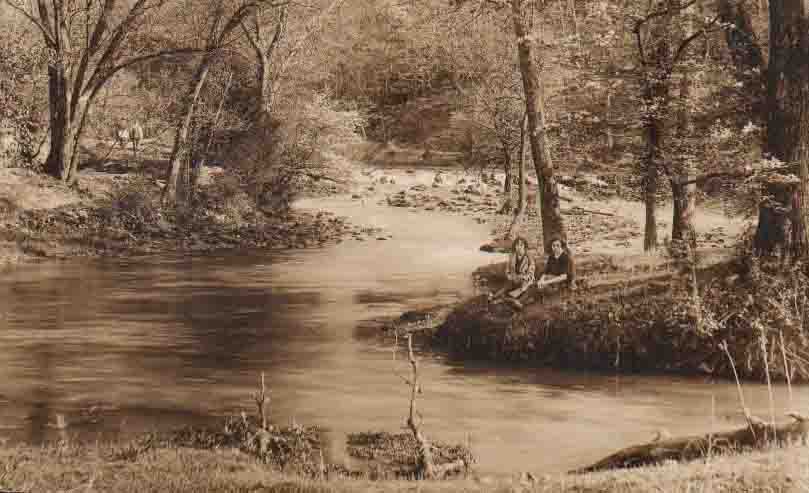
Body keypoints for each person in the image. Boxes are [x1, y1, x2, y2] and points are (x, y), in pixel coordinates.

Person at [488, 236, 535, 306]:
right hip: (514, 279)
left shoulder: (528, 256)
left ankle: (517, 302)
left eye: (521, 245)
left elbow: (532, 269)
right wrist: (509, 275)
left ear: (524, 246)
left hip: (525, 280)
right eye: (517, 245)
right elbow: (507, 269)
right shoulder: (512, 256)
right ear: (515, 246)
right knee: (506, 287)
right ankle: (494, 297)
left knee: (524, 290)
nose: (519, 247)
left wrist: (525, 277)